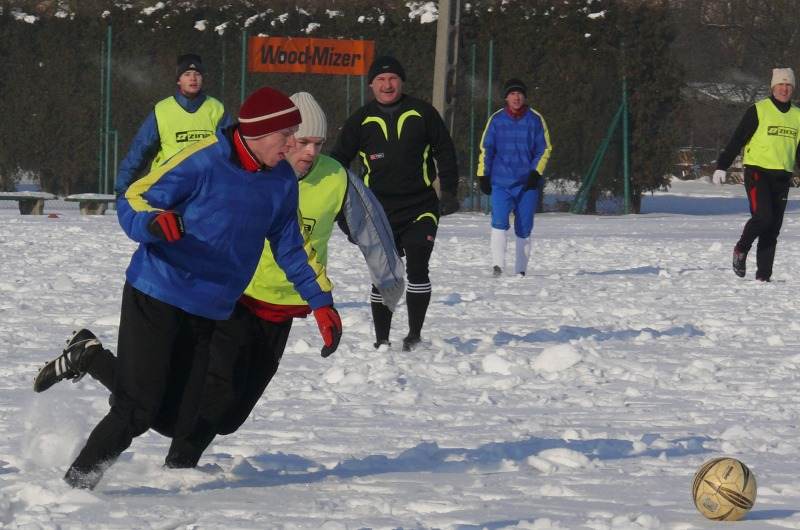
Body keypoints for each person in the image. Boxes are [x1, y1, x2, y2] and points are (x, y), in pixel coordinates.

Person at [33, 92, 403, 470]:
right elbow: (136, 197)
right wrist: (152, 223)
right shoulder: (205, 157)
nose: (294, 145)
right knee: (136, 410)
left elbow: (291, 247)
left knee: (188, 422)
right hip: (159, 289)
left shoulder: (280, 181)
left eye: (302, 137)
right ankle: (75, 490)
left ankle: (89, 355)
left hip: (209, 308)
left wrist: (321, 302)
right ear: (258, 132)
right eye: (288, 135)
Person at [330, 55, 460, 352]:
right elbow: (336, 166)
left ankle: (414, 334)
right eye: (381, 80)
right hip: (378, 212)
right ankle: (382, 340)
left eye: (393, 79)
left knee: (417, 265)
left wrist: (449, 191)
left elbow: (445, 150)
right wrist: (342, 214)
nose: (387, 85)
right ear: (371, 85)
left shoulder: (423, 113)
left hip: (421, 207)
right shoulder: (359, 121)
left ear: (401, 82)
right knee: (383, 275)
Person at [713, 67, 800, 281]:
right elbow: (738, 139)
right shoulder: (759, 110)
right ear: (773, 87)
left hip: (782, 176)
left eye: (788, 85)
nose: (784, 88)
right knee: (763, 217)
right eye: (780, 84)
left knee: (773, 228)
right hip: (757, 173)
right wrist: (722, 165)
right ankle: (741, 249)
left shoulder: (798, 116)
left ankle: (763, 277)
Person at [115, 53, 232, 194]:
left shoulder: (216, 109)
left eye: (197, 74)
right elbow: (140, 150)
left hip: (205, 189)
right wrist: (122, 187)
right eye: (187, 74)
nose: (193, 78)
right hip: (168, 188)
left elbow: (231, 150)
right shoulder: (162, 110)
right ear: (178, 80)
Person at [477, 78, 552, 278]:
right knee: (499, 222)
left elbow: (544, 149)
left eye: (519, 93)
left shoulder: (535, 119)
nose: (516, 97)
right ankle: (497, 266)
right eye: (512, 93)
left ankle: (520, 270)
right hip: (501, 183)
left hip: (527, 184)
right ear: (506, 97)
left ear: (524, 97)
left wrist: (536, 173)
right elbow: (486, 149)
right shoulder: (496, 120)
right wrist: (483, 175)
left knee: (524, 228)